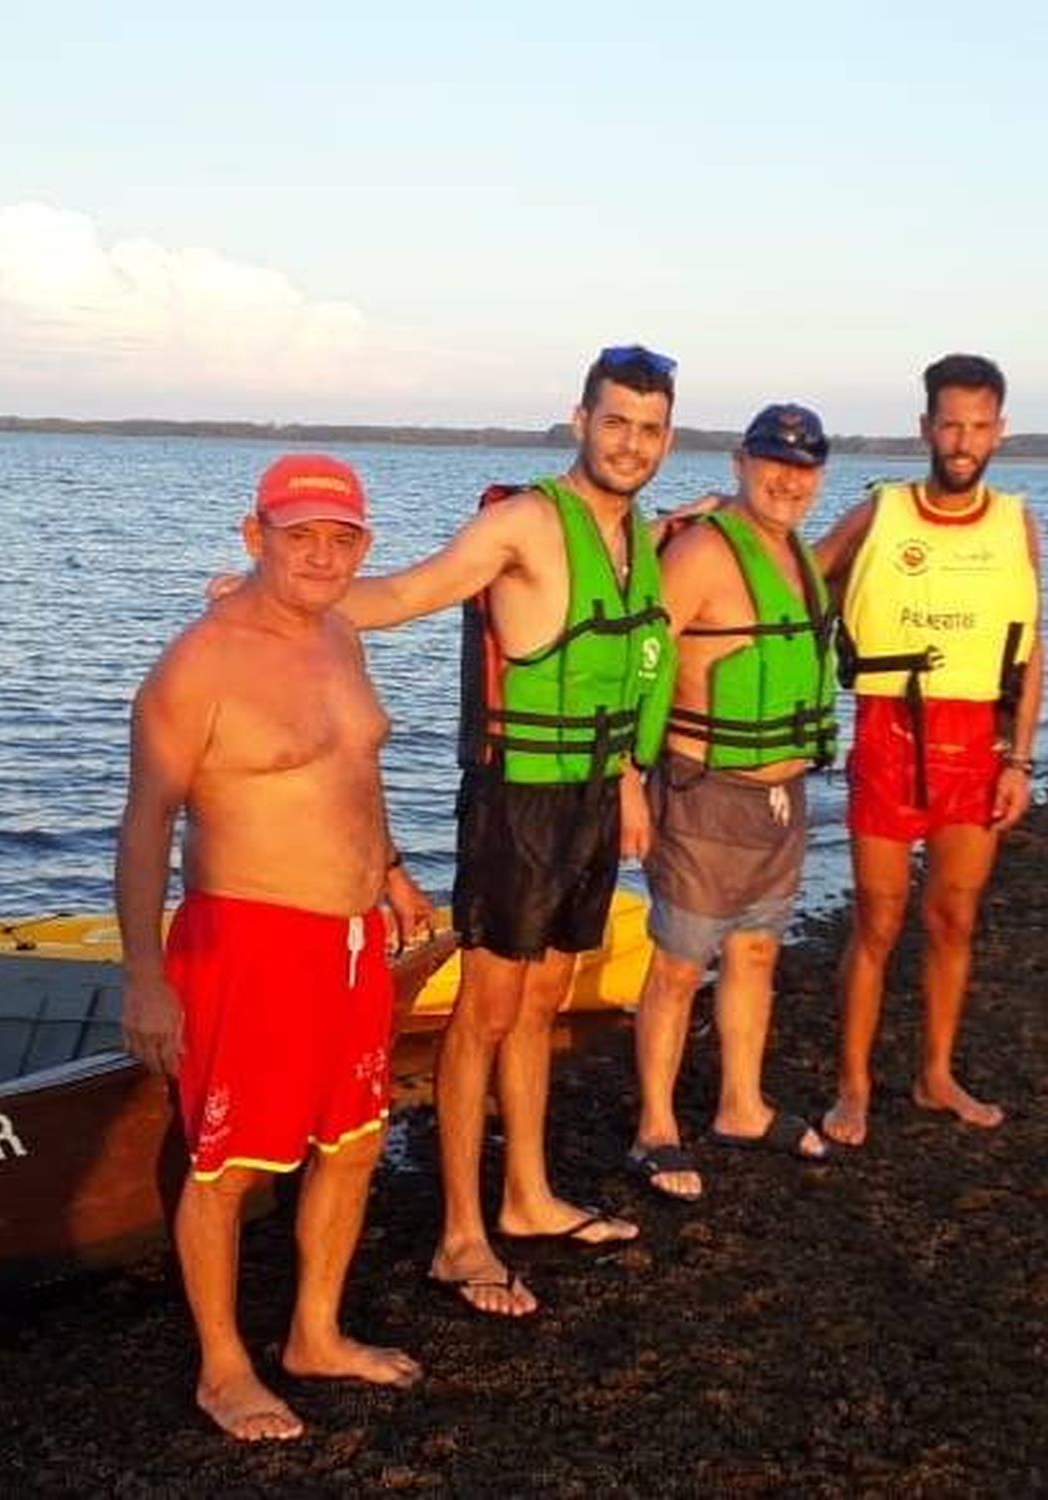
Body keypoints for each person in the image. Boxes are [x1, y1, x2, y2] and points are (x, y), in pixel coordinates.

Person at [329, 345, 678, 1316]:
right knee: (485, 1011)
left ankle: (525, 1197)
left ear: (666, 437)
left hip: (592, 801)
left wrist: (630, 787)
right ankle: (458, 1238)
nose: (631, 443)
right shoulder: (524, 522)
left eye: (649, 429)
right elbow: (403, 595)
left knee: (544, 1001)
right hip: (515, 802)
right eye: (616, 422)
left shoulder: (638, 539)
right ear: (580, 420)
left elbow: (620, 677)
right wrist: (288, 598)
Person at [116, 453, 434, 1441]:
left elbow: (353, 775)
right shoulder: (199, 664)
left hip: (348, 942)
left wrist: (389, 874)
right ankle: (222, 1367)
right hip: (246, 940)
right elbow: (143, 828)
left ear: (363, 548)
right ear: (255, 537)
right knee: (229, 1165)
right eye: (300, 535)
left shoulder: (342, 634)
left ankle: (315, 1334)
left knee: (352, 1142)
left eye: (342, 539)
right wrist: (144, 980)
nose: (322, 554)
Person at [816, 354, 1044, 1146]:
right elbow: (792, 581)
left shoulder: (1016, 522)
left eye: (979, 426)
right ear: (925, 427)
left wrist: (1020, 759)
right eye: (950, 423)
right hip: (889, 732)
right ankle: (853, 1086)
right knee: (877, 921)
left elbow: (1029, 647)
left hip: (975, 743)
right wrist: (716, 529)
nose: (963, 439)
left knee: (952, 918)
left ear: (999, 431)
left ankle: (934, 1074)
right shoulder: (880, 513)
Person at [627, 405, 839, 1201]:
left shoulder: (797, 557)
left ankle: (741, 1106)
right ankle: (655, 1127)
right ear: (739, 463)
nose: (788, 478)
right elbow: (640, 659)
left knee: (755, 954)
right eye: (772, 461)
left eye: (805, 465)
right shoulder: (704, 551)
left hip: (781, 796)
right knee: (681, 967)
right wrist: (624, 778)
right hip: (702, 792)